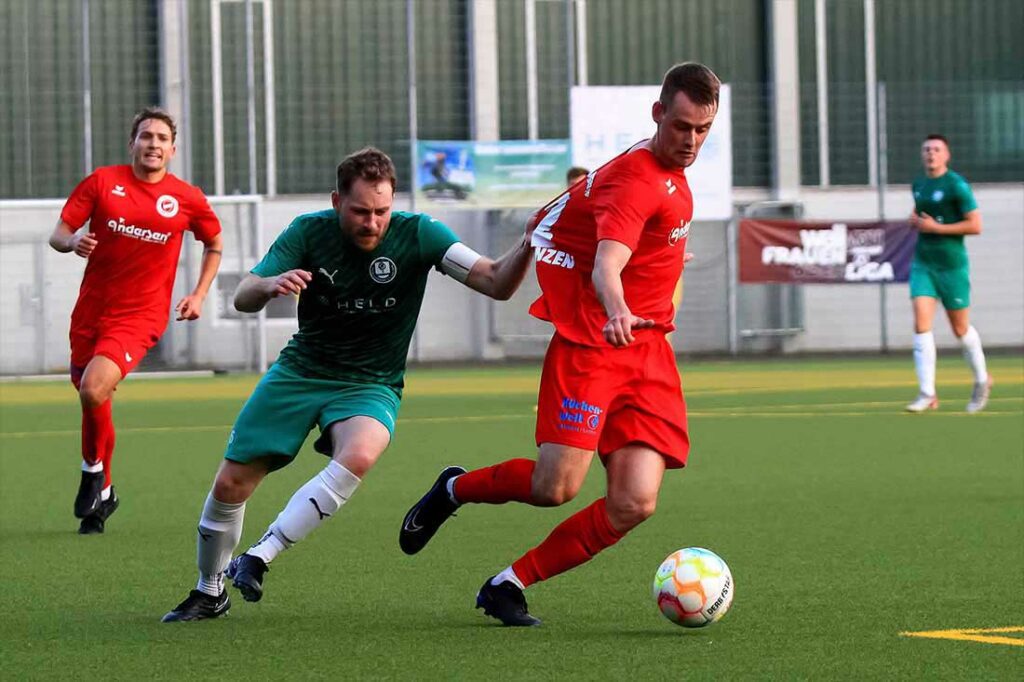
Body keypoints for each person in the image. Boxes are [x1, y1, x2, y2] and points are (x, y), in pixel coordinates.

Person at [398, 62, 716, 626]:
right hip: (593, 345)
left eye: (702, 129)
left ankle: (508, 584)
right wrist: (617, 308)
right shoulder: (635, 181)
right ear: (658, 113)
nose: (690, 140)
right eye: (682, 126)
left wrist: (662, 266)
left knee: (634, 502)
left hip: (647, 354)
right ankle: (455, 488)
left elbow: (632, 246)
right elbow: (607, 265)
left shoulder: (671, 172)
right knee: (555, 488)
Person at [162, 146, 535, 622]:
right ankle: (209, 590)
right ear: (338, 201)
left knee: (360, 453)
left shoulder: (421, 235)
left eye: (382, 211)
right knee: (231, 484)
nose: (372, 222)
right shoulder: (308, 231)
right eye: (360, 211)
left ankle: (261, 554)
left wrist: (526, 245)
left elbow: (495, 281)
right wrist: (272, 282)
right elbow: (242, 295)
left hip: (370, 383)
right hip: (301, 371)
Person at [49, 107, 223, 535]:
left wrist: (199, 294)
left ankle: (92, 471)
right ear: (133, 143)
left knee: (93, 388)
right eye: (146, 136)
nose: (154, 144)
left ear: (173, 149)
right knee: (95, 399)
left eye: (162, 138)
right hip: (90, 312)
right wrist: (72, 241)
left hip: (139, 316)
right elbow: (58, 234)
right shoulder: (102, 182)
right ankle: (105, 493)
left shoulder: (185, 198)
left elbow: (214, 242)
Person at [905, 134, 991, 413]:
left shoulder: (957, 185)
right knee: (921, 323)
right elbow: (921, 212)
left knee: (960, 329)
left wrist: (937, 229)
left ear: (947, 155)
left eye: (936, 149)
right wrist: (914, 220)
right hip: (924, 263)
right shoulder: (918, 183)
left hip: (952, 266)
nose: (930, 154)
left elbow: (975, 226)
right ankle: (927, 393)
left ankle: (981, 380)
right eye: (926, 149)